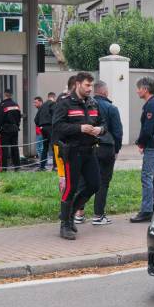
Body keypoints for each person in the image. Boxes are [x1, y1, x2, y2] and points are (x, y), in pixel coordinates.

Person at [52, 71, 107, 240]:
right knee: (71, 187)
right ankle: (65, 225)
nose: (90, 88)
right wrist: (79, 128)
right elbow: (57, 127)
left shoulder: (93, 103)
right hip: (72, 151)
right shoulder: (65, 103)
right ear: (77, 84)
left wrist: (100, 129)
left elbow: (103, 123)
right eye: (87, 85)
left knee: (94, 184)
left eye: (91, 85)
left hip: (90, 151)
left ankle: (69, 214)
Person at [74, 80, 123, 226]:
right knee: (103, 181)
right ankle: (98, 215)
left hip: (88, 147)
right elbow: (118, 132)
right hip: (106, 147)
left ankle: (78, 213)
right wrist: (116, 149)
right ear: (105, 92)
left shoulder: (86, 105)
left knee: (83, 180)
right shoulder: (111, 108)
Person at [130, 76, 154, 223]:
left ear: (145, 89)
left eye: (138, 88)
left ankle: (146, 210)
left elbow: (147, 129)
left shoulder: (151, 105)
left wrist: (141, 143)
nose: (137, 91)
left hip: (153, 146)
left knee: (146, 177)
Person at [0, 89, 22, 171]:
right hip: (15, 129)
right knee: (15, 148)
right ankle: (17, 167)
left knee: (4, 149)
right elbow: (19, 117)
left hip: (5, 130)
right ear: (11, 95)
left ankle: (4, 168)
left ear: (5, 94)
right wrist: (17, 126)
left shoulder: (2, 105)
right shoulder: (16, 105)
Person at [35, 92, 56, 171]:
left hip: (43, 128)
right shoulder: (53, 104)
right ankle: (55, 166)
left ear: (48, 97)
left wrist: (40, 126)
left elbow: (36, 119)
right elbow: (55, 116)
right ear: (54, 97)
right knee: (54, 147)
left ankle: (42, 166)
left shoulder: (42, 106)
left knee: (45, 148)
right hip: (50, 128)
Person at [32, 96, 44, 170]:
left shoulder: (42, 110)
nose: (34, 104)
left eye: (35, 102)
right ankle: (41, 162)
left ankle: (42, 162)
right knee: (39, 148)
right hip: (39, 131)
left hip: (40, 132)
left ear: (40, 102)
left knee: (40, 148)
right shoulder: (40, 110)